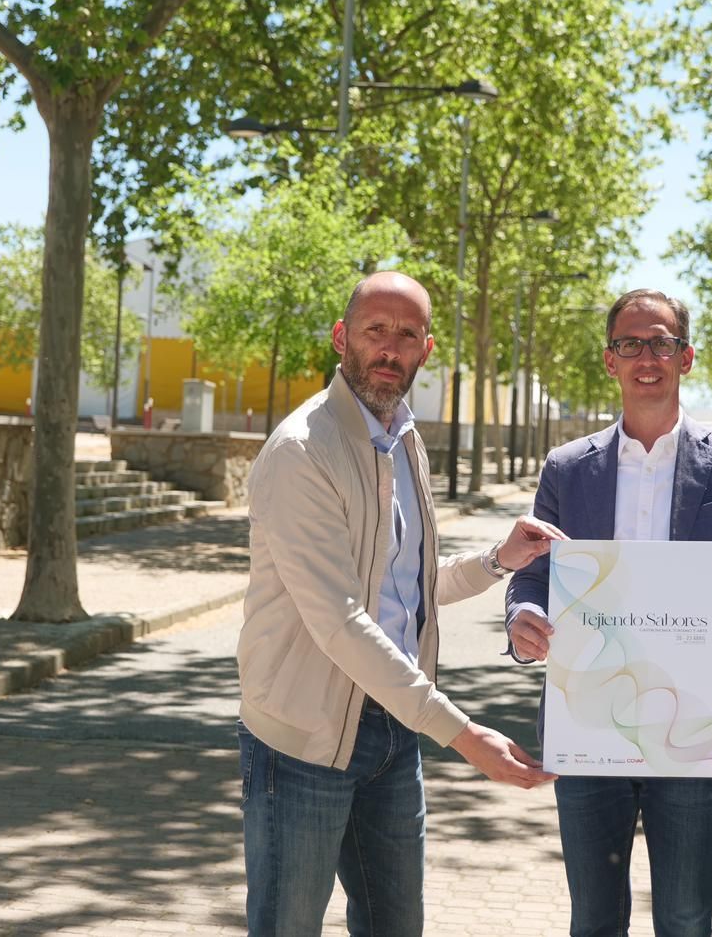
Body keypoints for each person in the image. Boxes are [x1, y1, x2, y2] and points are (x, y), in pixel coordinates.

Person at [237, 270, 564, 937]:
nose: (389, 348)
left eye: (405, 335)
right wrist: (464, 735)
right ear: (341, 338)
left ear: (427, 349)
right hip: (305, 741)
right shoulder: (304, 452)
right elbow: (341, 621)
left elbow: (408, 586)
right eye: (374, 331)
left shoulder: (403, 438)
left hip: (392, 734)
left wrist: (499, 560)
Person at [505, 288, 712, 937]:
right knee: (594, 918)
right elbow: (533, 577)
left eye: (661, 342)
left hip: (693, 723)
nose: (646, 356)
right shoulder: (567, 469)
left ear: (686, 357)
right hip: (589, 724)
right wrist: (522, 620)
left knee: (686, 919)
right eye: (631, 343)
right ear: (610, 361)